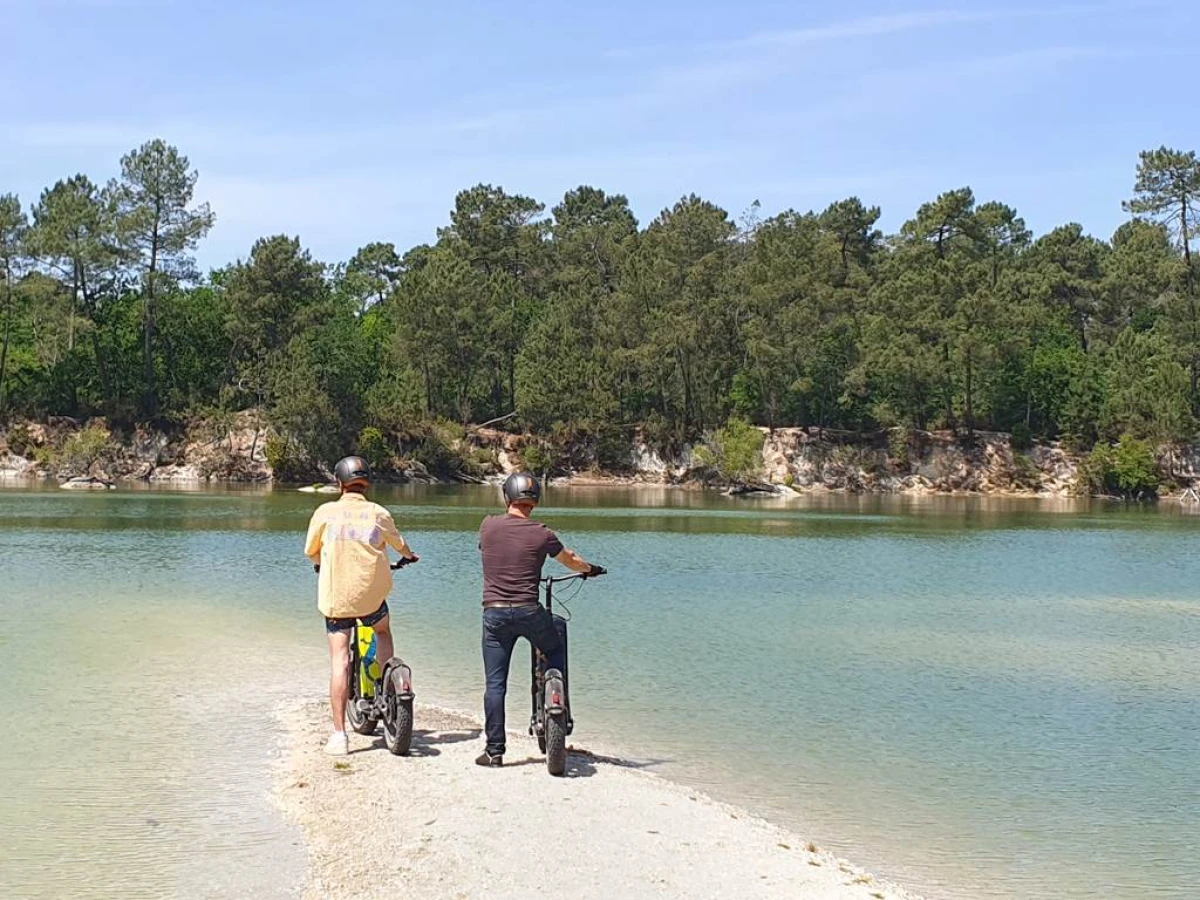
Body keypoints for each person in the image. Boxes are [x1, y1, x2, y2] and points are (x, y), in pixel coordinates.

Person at [476, 471, 604, 767]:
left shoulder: (488, 526)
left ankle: (495, 751)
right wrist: (591, 569)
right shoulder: (542, 533)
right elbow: (570, 558)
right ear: (534, 500)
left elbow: (487, 550)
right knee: (555, 635)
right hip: (528, 611)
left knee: (495, 684)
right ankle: (557, 695)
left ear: (506, 496)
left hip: (494, 613)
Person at [304, 455, 419, 756]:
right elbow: (400, 545)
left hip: (337, 601)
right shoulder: (378, 513)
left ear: (339, 482)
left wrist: (320, 564)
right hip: (371, 600)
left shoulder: (325, 512)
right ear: (366, 483)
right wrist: (409, 556)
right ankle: (386, 685)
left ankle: (340, 736)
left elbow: (311, 551)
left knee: (340, 660)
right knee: (382, 631)